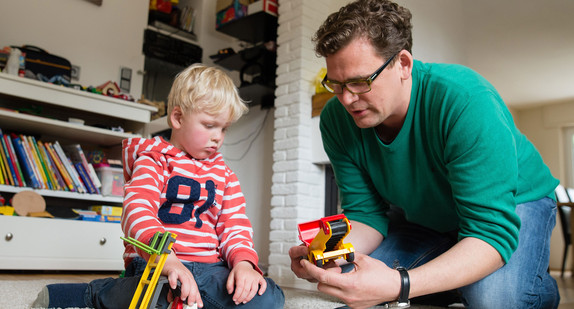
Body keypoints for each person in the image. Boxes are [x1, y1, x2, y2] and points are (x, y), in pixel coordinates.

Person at [288, 0, 560, 308]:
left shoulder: (465, 100)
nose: (347, 100)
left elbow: (489, 230)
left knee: (494, 299)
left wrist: (401, 284)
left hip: (513, 203)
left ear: (403, 64)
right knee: (354, 275)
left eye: (360, 82)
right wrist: (328, 253)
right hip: (428, 217)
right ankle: (456, 278)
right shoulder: (335, 120)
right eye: (335, 85)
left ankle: (530, 289)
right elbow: (366, 215)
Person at [33, 64, 285, 309]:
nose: (218, 136)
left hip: (209, 268)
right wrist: (167, 260)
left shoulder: (226, 176)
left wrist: (243, 265)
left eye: (224, 128)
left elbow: (235, 225)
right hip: (156, 264)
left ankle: (191, 299)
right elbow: (137, 212)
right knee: (155, 296)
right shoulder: (153, 161)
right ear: (177, 117)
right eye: (209, 125)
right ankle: (94, 293)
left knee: (268, 295)